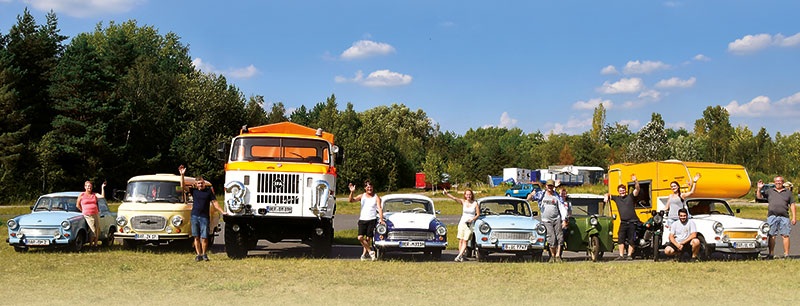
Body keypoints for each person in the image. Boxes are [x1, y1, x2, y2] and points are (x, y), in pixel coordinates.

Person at [179, 165, 226, 262]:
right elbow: (182, 186)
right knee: (196, 237)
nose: (201, 185)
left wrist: (222, 211)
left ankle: (204, 254)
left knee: (204, 237)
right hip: (194, 216)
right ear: (196, 184)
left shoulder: (208, 192)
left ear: (204, 183)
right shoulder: (194, 191)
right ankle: (198, 255)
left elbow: (215, 203)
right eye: (199, 183)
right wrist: (182, 175)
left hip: (204, 217)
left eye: (202, 183)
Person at [756, 176, 797, 259]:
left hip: (784, 216)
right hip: (772, 216)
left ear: (783, 182)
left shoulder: (788, 192)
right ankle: (771, 254)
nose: (778, 183)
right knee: (771, 235)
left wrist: (794, 217)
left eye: (780, 181)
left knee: (785, 235)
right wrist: (759, 189)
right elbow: (759, 197)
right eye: (776, 181)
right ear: (774, 183)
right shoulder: (770, 191)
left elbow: (792, 205)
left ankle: (786, 254)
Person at [528, 179, 568, 262]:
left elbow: (562, 208)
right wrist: (531, 194)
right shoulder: (541, 195)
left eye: (551, 186)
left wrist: (564, 220)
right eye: (548, 186)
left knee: (560, 238)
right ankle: (552, 256)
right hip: (546, 220)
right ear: (546, 186)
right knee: (551, 239)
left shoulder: (557, 196)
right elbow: (529, 198)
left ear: (553, 187)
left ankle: (558, 256)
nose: (550, 187)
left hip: (557, 219)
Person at [604, 174, 640, 260]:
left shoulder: (630, 196)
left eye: (623, 190)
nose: (622, 192)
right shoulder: (617, 198)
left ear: (626, 191)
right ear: (618, 191)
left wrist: (636, 181)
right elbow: (608, 194)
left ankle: (629, 255)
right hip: (623, 222)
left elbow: (637, 189)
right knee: (621, 238)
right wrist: (606, 197)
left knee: (631, 239)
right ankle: (621, 255)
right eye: (620, 191)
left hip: (632, 222)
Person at [349, 180, 384, 261]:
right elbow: (351, 200)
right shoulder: (362, 196)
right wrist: (352, 192)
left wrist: (381, 220)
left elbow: (380, 208)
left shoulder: (376, 197)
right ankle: (371, 252)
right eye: (367, 187)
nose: (369, 188)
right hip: (362, 219)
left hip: (372, 219)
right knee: (360, 237)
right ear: (365, 188)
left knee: (368, 239)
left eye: (370, 187)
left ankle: (364, 256)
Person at [443, 188, 479, 262]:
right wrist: (447, 194)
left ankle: (459, 256)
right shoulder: (463, 202)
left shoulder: (475, 203)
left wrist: (472, 219)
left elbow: (478, 214)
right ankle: (461, 255)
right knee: (461, 240)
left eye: (469, 194)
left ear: (472, 195)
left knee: (465, 240)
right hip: (462, 223)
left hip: (469, 224)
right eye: (467, 194)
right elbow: (454, 198)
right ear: (465, 195)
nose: (468, 196)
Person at [76, 180, 106, 248]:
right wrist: (83, 210)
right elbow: (77, 205)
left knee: (97, 229)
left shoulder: (94, 194)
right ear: (85, 187)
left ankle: (95, 244)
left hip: (95, 213)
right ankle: (90, 245)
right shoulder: (82, 195)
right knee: (93, 230)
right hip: (87, 215)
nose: (89, 188)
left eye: (90, 186)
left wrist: (102, 187)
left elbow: (102, 196)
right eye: (88, 186)